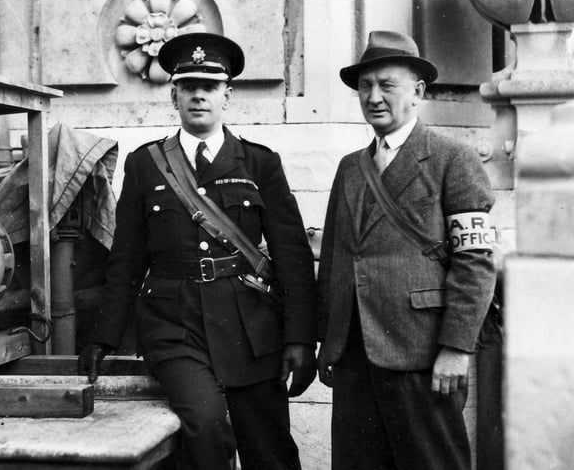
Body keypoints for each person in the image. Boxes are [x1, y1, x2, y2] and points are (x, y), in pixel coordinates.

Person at [79, 32, 317, 470]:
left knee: (269, 448)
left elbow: (293, 258)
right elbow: (127, 258)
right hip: (175, 327)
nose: (199, 96)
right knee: (204, 428)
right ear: (174, 95)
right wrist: (102, 335)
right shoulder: (146, 163)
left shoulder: (259, 162)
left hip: (251, 326)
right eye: (189, 87)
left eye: (209, 87)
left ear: (228, 95)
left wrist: (301, 338)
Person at [316, 30, 497, 470]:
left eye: (387, 85)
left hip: (423, 350)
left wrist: (457, 348)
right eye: (365, 86)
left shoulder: (453, 158)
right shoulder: (351, 167)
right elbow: (338, 260)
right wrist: (328, 341)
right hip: (355, 351)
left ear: (417, 92)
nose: (374, 96)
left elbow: (475, 262)